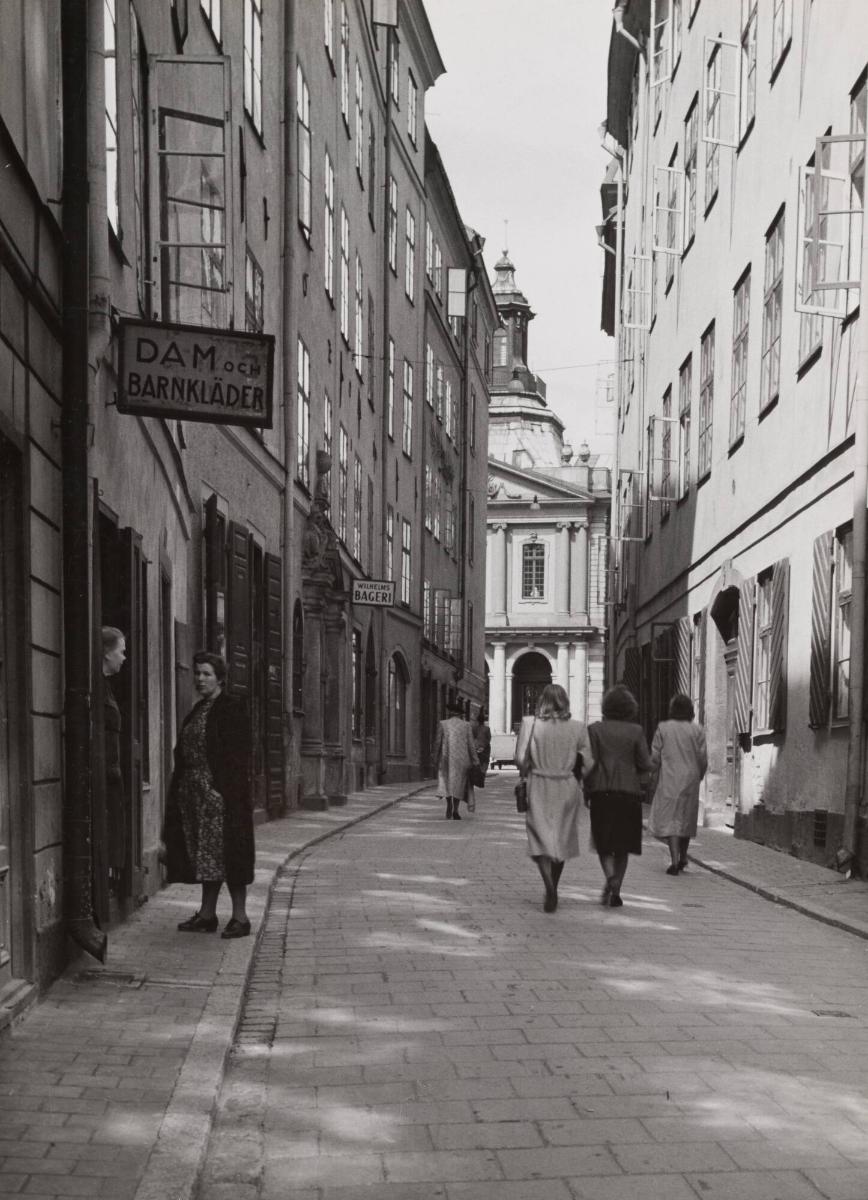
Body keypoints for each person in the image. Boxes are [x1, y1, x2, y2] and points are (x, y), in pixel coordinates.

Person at [163, 652, 254, 938]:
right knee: (207, 857)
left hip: (221, 797)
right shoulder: (198, 709)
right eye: (197, 673)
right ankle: (207, 914)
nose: (200, 679)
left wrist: (221, 793)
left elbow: (239, 755)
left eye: (207, 674)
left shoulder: (232, 707)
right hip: (194, 796)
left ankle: (240, 918)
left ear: (220, 679)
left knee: (231, 856)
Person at [515, 684, 594, 913]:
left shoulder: (530, 724)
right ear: (565, 702)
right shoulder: (578, 727)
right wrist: (578, 777)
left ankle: (548, 885)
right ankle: (554, 887)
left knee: (539, 838)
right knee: (561, 839)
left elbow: (520, 759)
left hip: (539, 784)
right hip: (566, 785)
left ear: (542, 701)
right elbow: (589, 763)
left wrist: (529, 766)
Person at [585, 684, 652, 908]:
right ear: (629, 707)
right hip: (629, 793)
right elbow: (645, 763)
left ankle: (610, 877)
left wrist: (586, 789)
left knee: (603, 843)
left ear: (606, 706)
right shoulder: (636, 731)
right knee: (623, 845)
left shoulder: (595, 730)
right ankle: (616, 890)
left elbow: (590, 763)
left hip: (601, 791)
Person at [649, 693, 708, 874]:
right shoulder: (697, 730)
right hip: (691, 779)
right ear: (690, 710)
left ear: (672, 710)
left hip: (670, 779)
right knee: (686, 819)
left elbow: (655, 757)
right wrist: (700, 775)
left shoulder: (663, 728)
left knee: (672, 820)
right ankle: (683, 856)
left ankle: (674, 861)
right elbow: (703, 758)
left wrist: (652, 773)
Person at [102, 627, 127, 896]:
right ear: (106, 653)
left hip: (111, 773)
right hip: (103, 774)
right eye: (121, 651)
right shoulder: (96, 686)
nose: (124, 657)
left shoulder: (107, 686)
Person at [433, 698, 479, 820]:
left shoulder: (443, 724)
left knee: (448, 782)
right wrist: (475, 761)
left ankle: (449, 804)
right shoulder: (466, 725)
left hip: (446, 758)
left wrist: (435, 757)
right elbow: (471, 745)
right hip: (462, 760)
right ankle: (456, 810)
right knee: (459, 784)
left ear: (450, 713)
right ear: (460, 714)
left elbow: (437, 742)